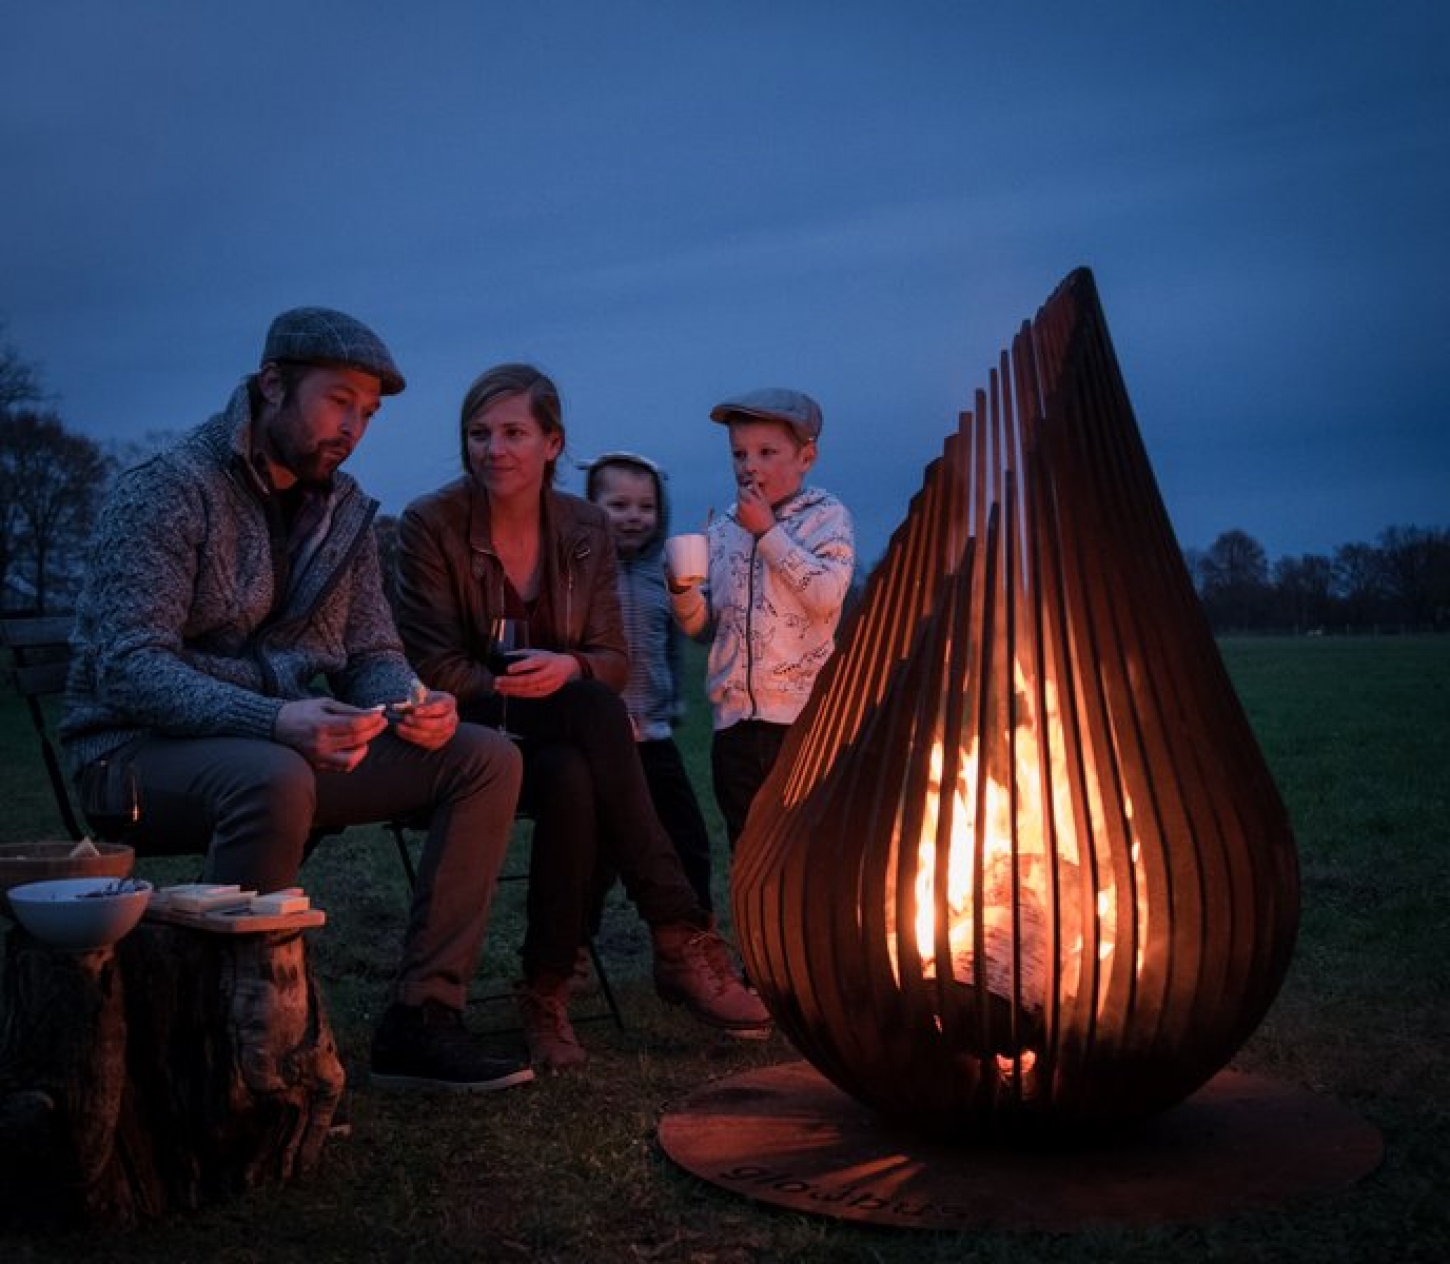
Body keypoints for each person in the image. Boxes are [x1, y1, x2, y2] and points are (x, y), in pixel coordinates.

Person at [60, 307, 532, 1095]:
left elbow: (372, 653)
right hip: (130, 756)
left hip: (280, 751)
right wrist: (275, 720)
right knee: (273, 778)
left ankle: (422, 1019)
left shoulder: (340, 513)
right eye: (338, 401)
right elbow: (129, 668)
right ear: (272, 385)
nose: (352, 427)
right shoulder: (169, 493)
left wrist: (412, 700)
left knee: (483, 756)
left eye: (369, 413)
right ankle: (232, 1048)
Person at [393, 363, 770, 1072]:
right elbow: (435, 668)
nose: (493, 449)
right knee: (595, 712)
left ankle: (545, 990)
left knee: (572, 770)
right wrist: (553, 684)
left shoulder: (585, 526)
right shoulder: (430, 525)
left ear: (552, 443)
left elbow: (611, 658)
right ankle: (678, 931)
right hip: (466, 725)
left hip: (561, 730)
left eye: (513, 432)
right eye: (478, 434)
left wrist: (569, 668)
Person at [668, 388, 855, 852]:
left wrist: (769, 534)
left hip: (803, 719)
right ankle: (757, 927)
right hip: (733, 723)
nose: (749, 465)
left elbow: (826, 596)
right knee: (748, 847)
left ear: (806, 456)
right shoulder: (724, 527)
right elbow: (703, 627)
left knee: (806, 846)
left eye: (767, 452)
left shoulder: (825, 518)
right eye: (740, 454)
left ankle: (808, 926)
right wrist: (681, 591)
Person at [584, 452, 714, 913]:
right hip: (597, 743)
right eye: (618, 505)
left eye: (646, 506)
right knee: (591, 850)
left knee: (687, 840)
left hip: (654, 738)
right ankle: (573, 946)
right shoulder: (581, 574)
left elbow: (675, 645)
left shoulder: (664, 573)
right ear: (590, 505)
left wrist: (674, 699)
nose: (634, 517)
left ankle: (696, 933)